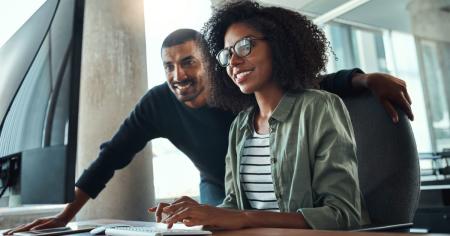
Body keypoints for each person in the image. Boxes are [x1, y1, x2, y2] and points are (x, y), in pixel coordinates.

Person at [6, 23, 410, 234]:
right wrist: (65, 215)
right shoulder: (157, 104)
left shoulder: (236, 86)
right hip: (222, 186)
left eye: (188, 62)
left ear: (208, 64)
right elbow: (111, 155)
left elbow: (309, 83)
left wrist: (364, 79)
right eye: (168, 66)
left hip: (282, 187)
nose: (178, 75)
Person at [149, 1, 371, 230]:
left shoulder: (319, 107)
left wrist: (247, 217)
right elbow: (234, 206)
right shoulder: (240, 125)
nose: (233, 61)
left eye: (245, 46)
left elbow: (343, 215)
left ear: (277, 45)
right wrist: (198, 213)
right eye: (227, 54)